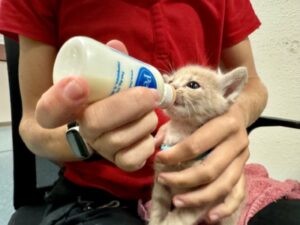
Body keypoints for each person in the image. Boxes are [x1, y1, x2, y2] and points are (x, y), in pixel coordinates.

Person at [0, 0, 268, 224]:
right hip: (97, 196)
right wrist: (86, 139)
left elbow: (253, 85)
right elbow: (32, 124)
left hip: (205, 179)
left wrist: (235, 117)